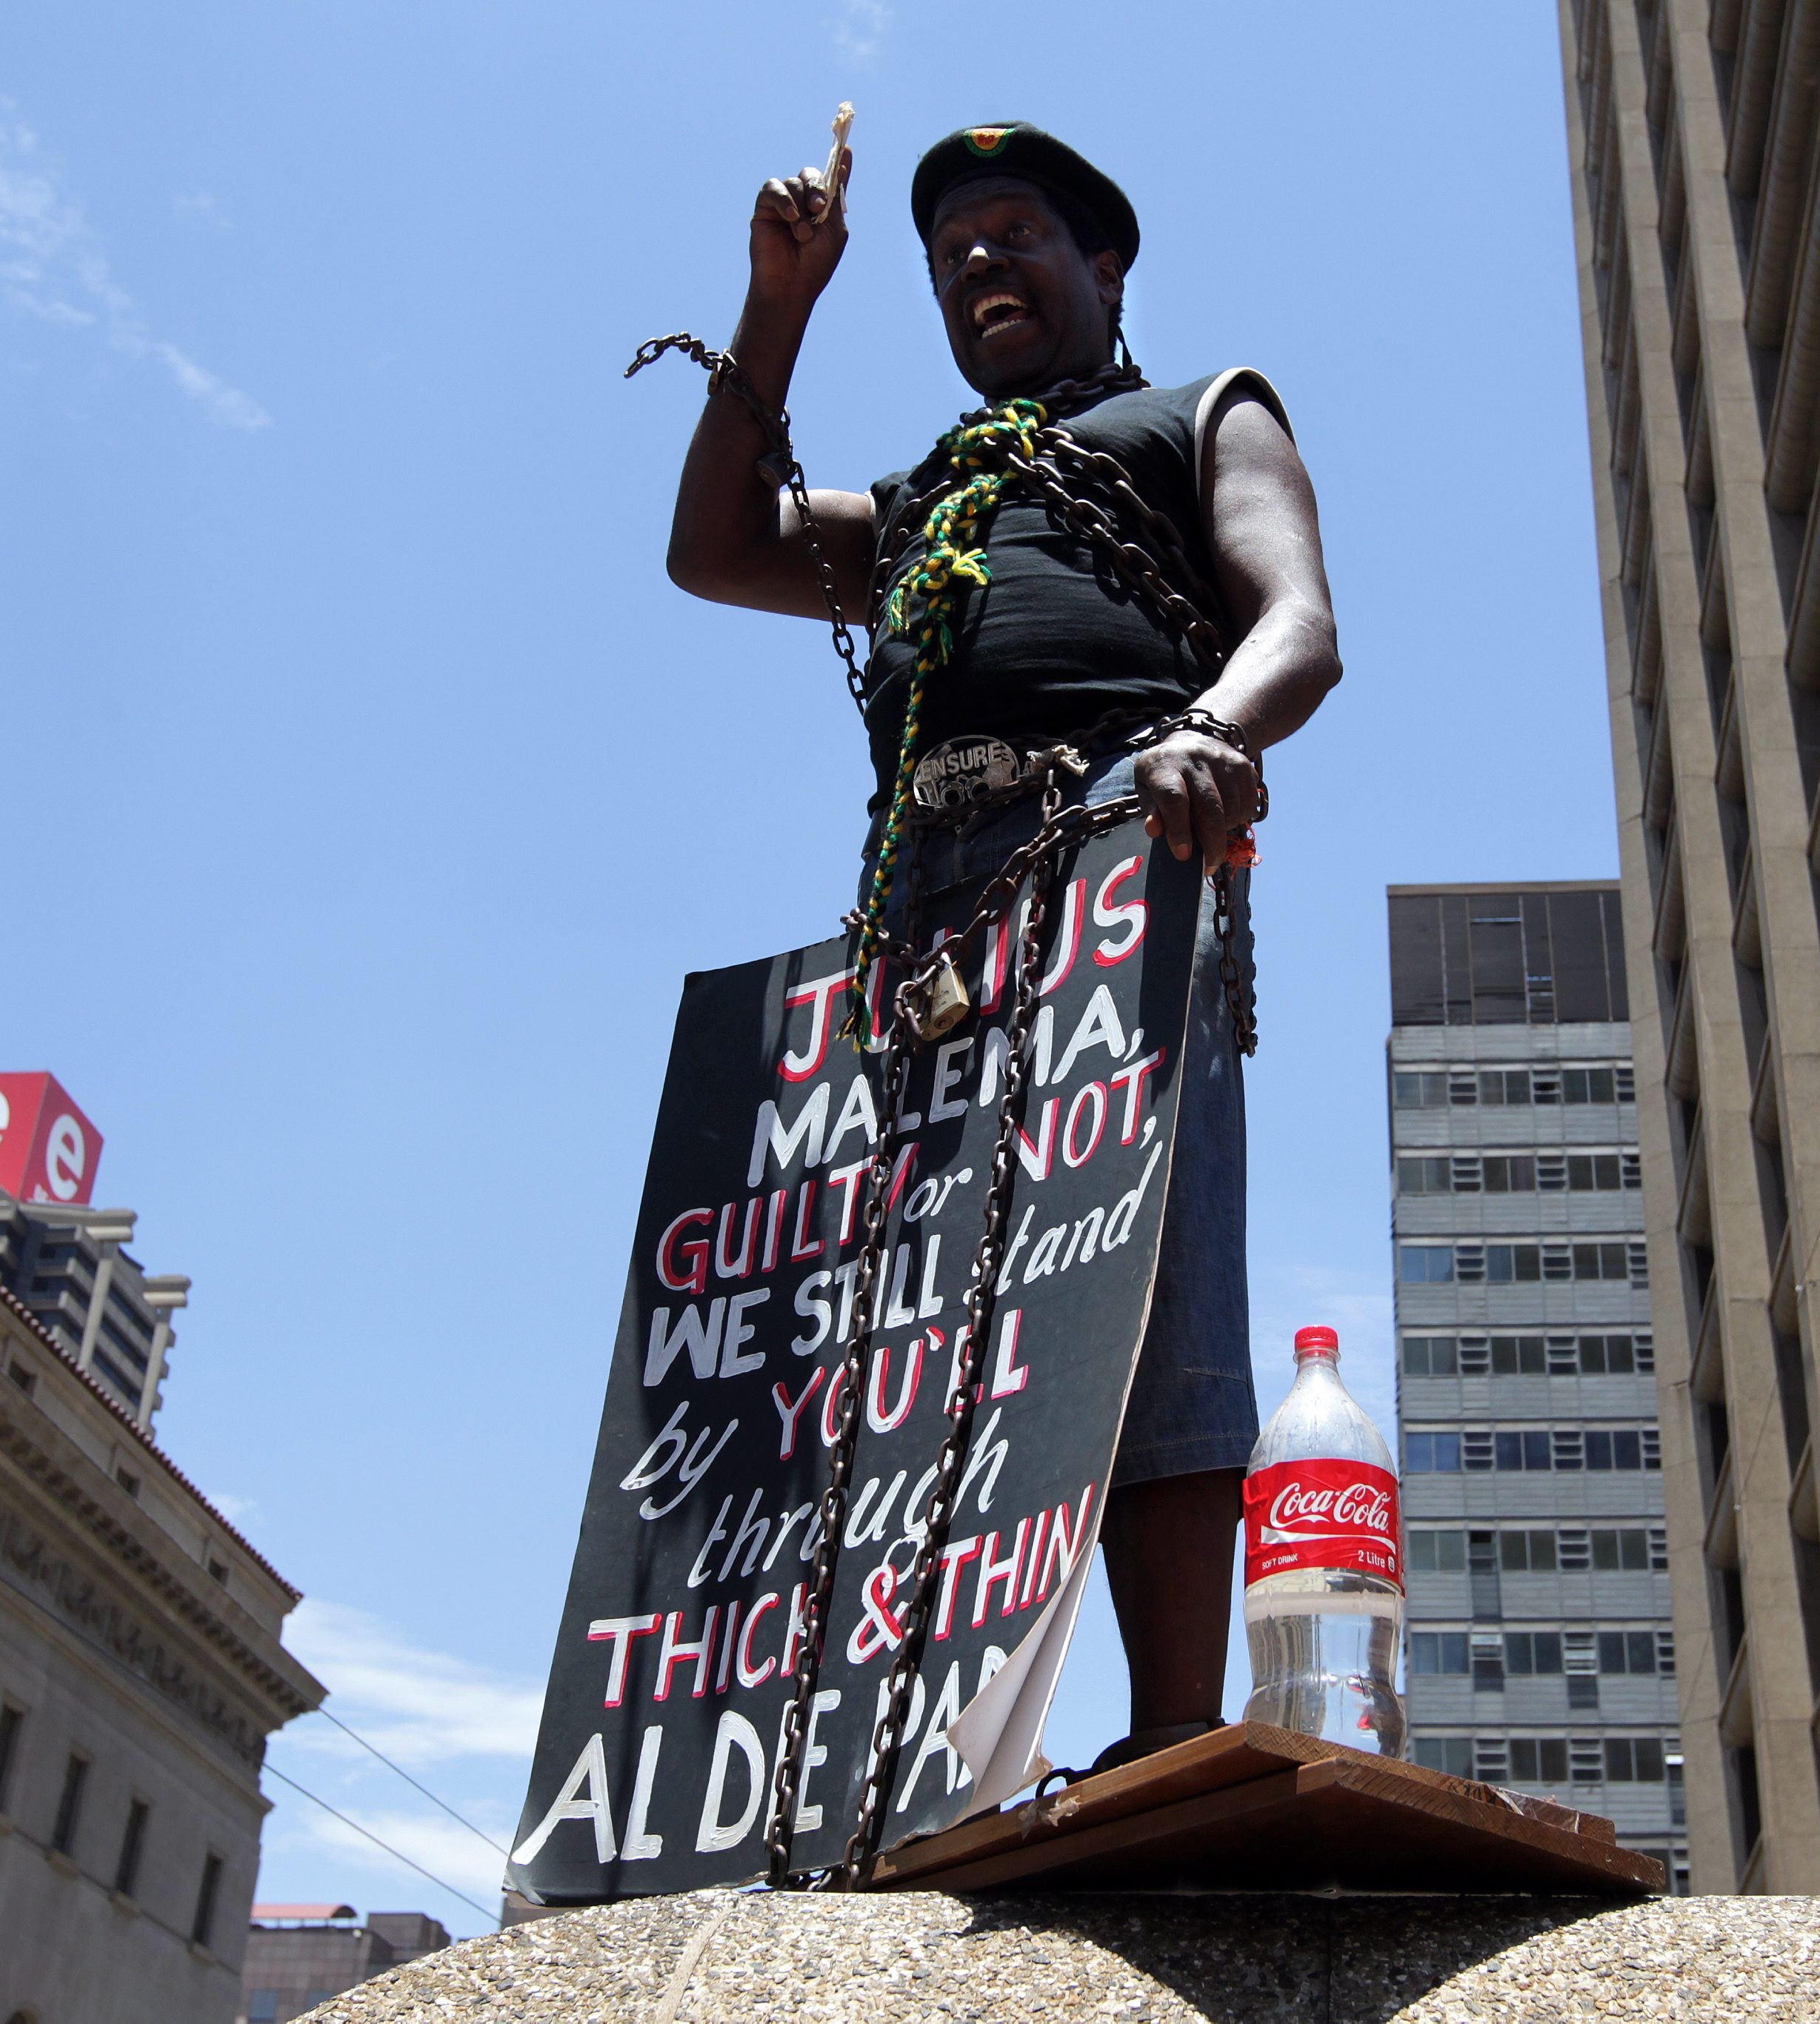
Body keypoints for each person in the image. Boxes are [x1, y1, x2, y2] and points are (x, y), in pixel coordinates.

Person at [661, 121, 1341, 1774]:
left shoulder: (1201, 413)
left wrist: (1208, 730)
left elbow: (1300, 624)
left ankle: (1170, 1728)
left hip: (1116, 836)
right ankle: (904, 1755)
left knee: (1146, 1259)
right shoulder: (920, 503)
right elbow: (713, 548)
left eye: (1014, 231)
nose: (976, 261)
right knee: (896, 1307)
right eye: (947, 251)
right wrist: (776, 303)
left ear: (1103, 267)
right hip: (922, 907)